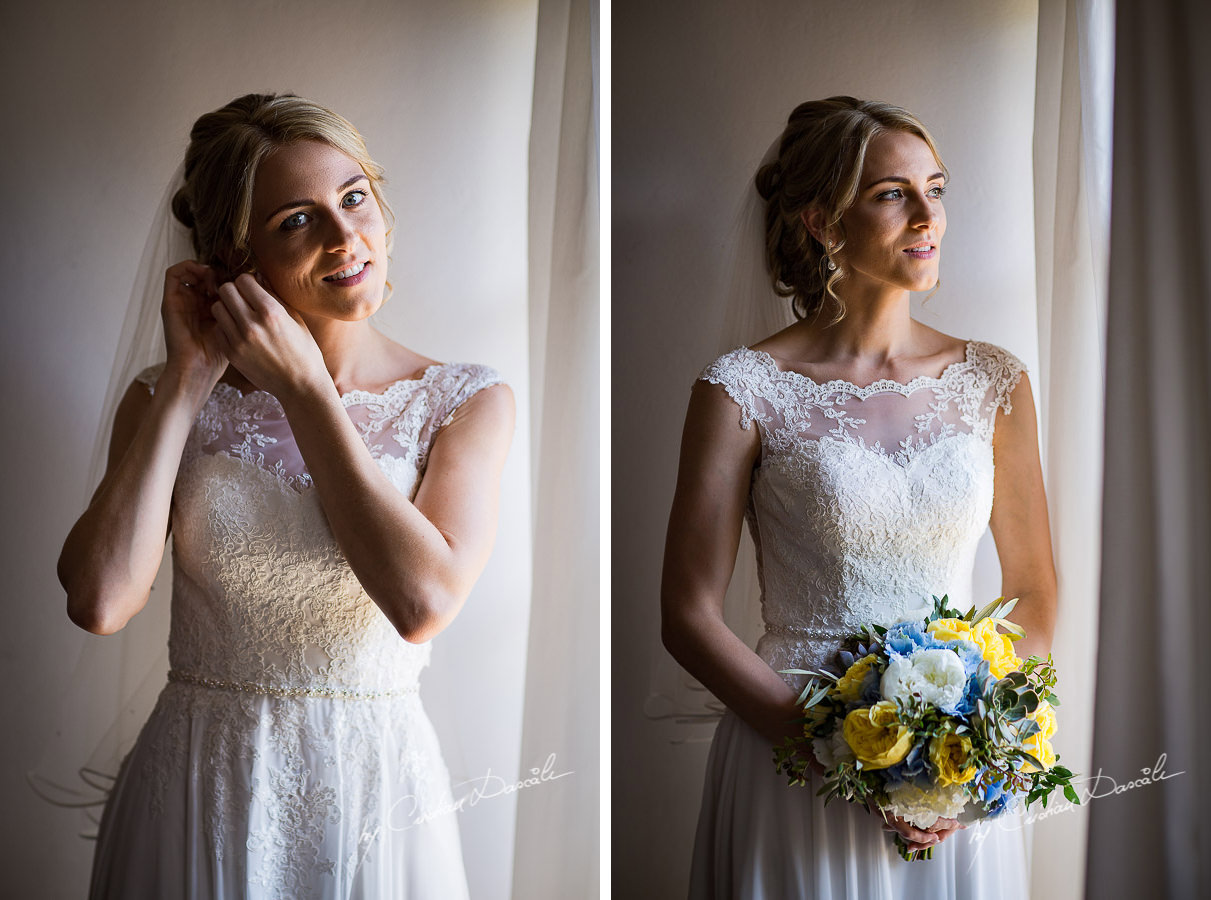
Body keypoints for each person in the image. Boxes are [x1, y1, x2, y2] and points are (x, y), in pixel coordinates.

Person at [57, 93, 514, 899]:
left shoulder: (464, 400)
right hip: (199, 781)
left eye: (353, 197)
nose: (346, 238)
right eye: (297, 221)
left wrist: (306, 390)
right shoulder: (164, 397)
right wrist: (187, 383)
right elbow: (98, 600)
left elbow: (422, 602)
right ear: (239, 259)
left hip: (374, 785)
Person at [661, 97, 1057, 898]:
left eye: (934, 189)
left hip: (956, 771)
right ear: (821, 221)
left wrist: (973, 743)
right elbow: (687, 618)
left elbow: (1032, 592)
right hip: (793, 756)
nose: (927, 216)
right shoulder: (740, 390)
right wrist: (836, 753)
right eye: (891, 194)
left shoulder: (994, 382)